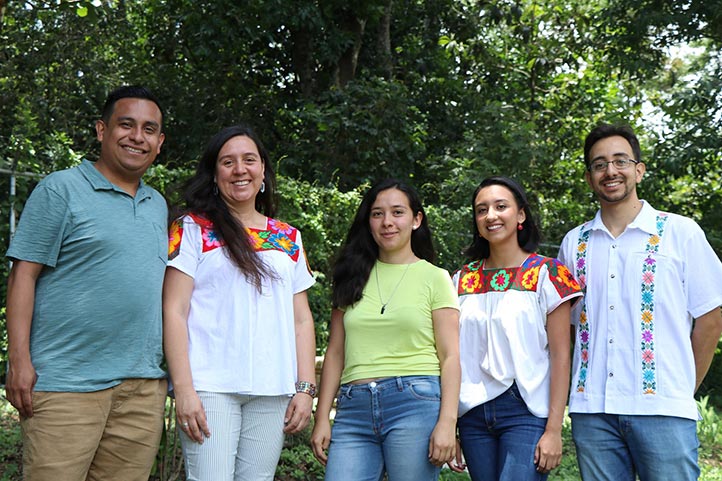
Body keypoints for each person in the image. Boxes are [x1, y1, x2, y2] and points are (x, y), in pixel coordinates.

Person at [5, 85, 168, 481]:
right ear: (101, 130)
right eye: (125, 125)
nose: (137, 137)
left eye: (149, 129)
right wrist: (18, 361)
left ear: (160, 143)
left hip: (142, 389)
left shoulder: (158, 204)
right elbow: (23, 275)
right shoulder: (60, 189)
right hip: (65, 385)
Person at [558, 123, 722, 481]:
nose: (610, 171)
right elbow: (568, 329)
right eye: (599, 164)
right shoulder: (574, 244)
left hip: (664, 407)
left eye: (620, 161)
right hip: (593, 410)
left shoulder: (680, 232)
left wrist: (682, 387)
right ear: (589, 178)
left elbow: (711, 318)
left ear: (639, 170)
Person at [162, 124, 317, 481]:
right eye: (228, 162)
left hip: (273, 388)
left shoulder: (288, 237)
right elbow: (174, 309)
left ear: (263, 170)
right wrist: (183, 389)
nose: (240, 169)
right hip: (210, 387)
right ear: (215, 175)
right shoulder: (191, 229)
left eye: (249, 160)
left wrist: (305, 389)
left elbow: (301, 320)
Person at [310, 179, 460, 481]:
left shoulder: (436, 277)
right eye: (377, 214)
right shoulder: (351, 276)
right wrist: (322, 417)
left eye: (397, 212)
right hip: (353, 408)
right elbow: (336, 352)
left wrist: (447, 422)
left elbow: (451, 356)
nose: (387, 222)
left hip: (414, 402)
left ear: (416, 220)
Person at [448, 176, 582, 481]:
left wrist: (553, 429)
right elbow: (450, 355)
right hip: (472, 413)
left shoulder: (547, 273)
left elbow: (561, 356)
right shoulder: (460, 280)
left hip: (525, 409)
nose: (490, 215)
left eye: (500, 206)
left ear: (520, 214)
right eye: (481, 210)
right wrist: (450, 424)